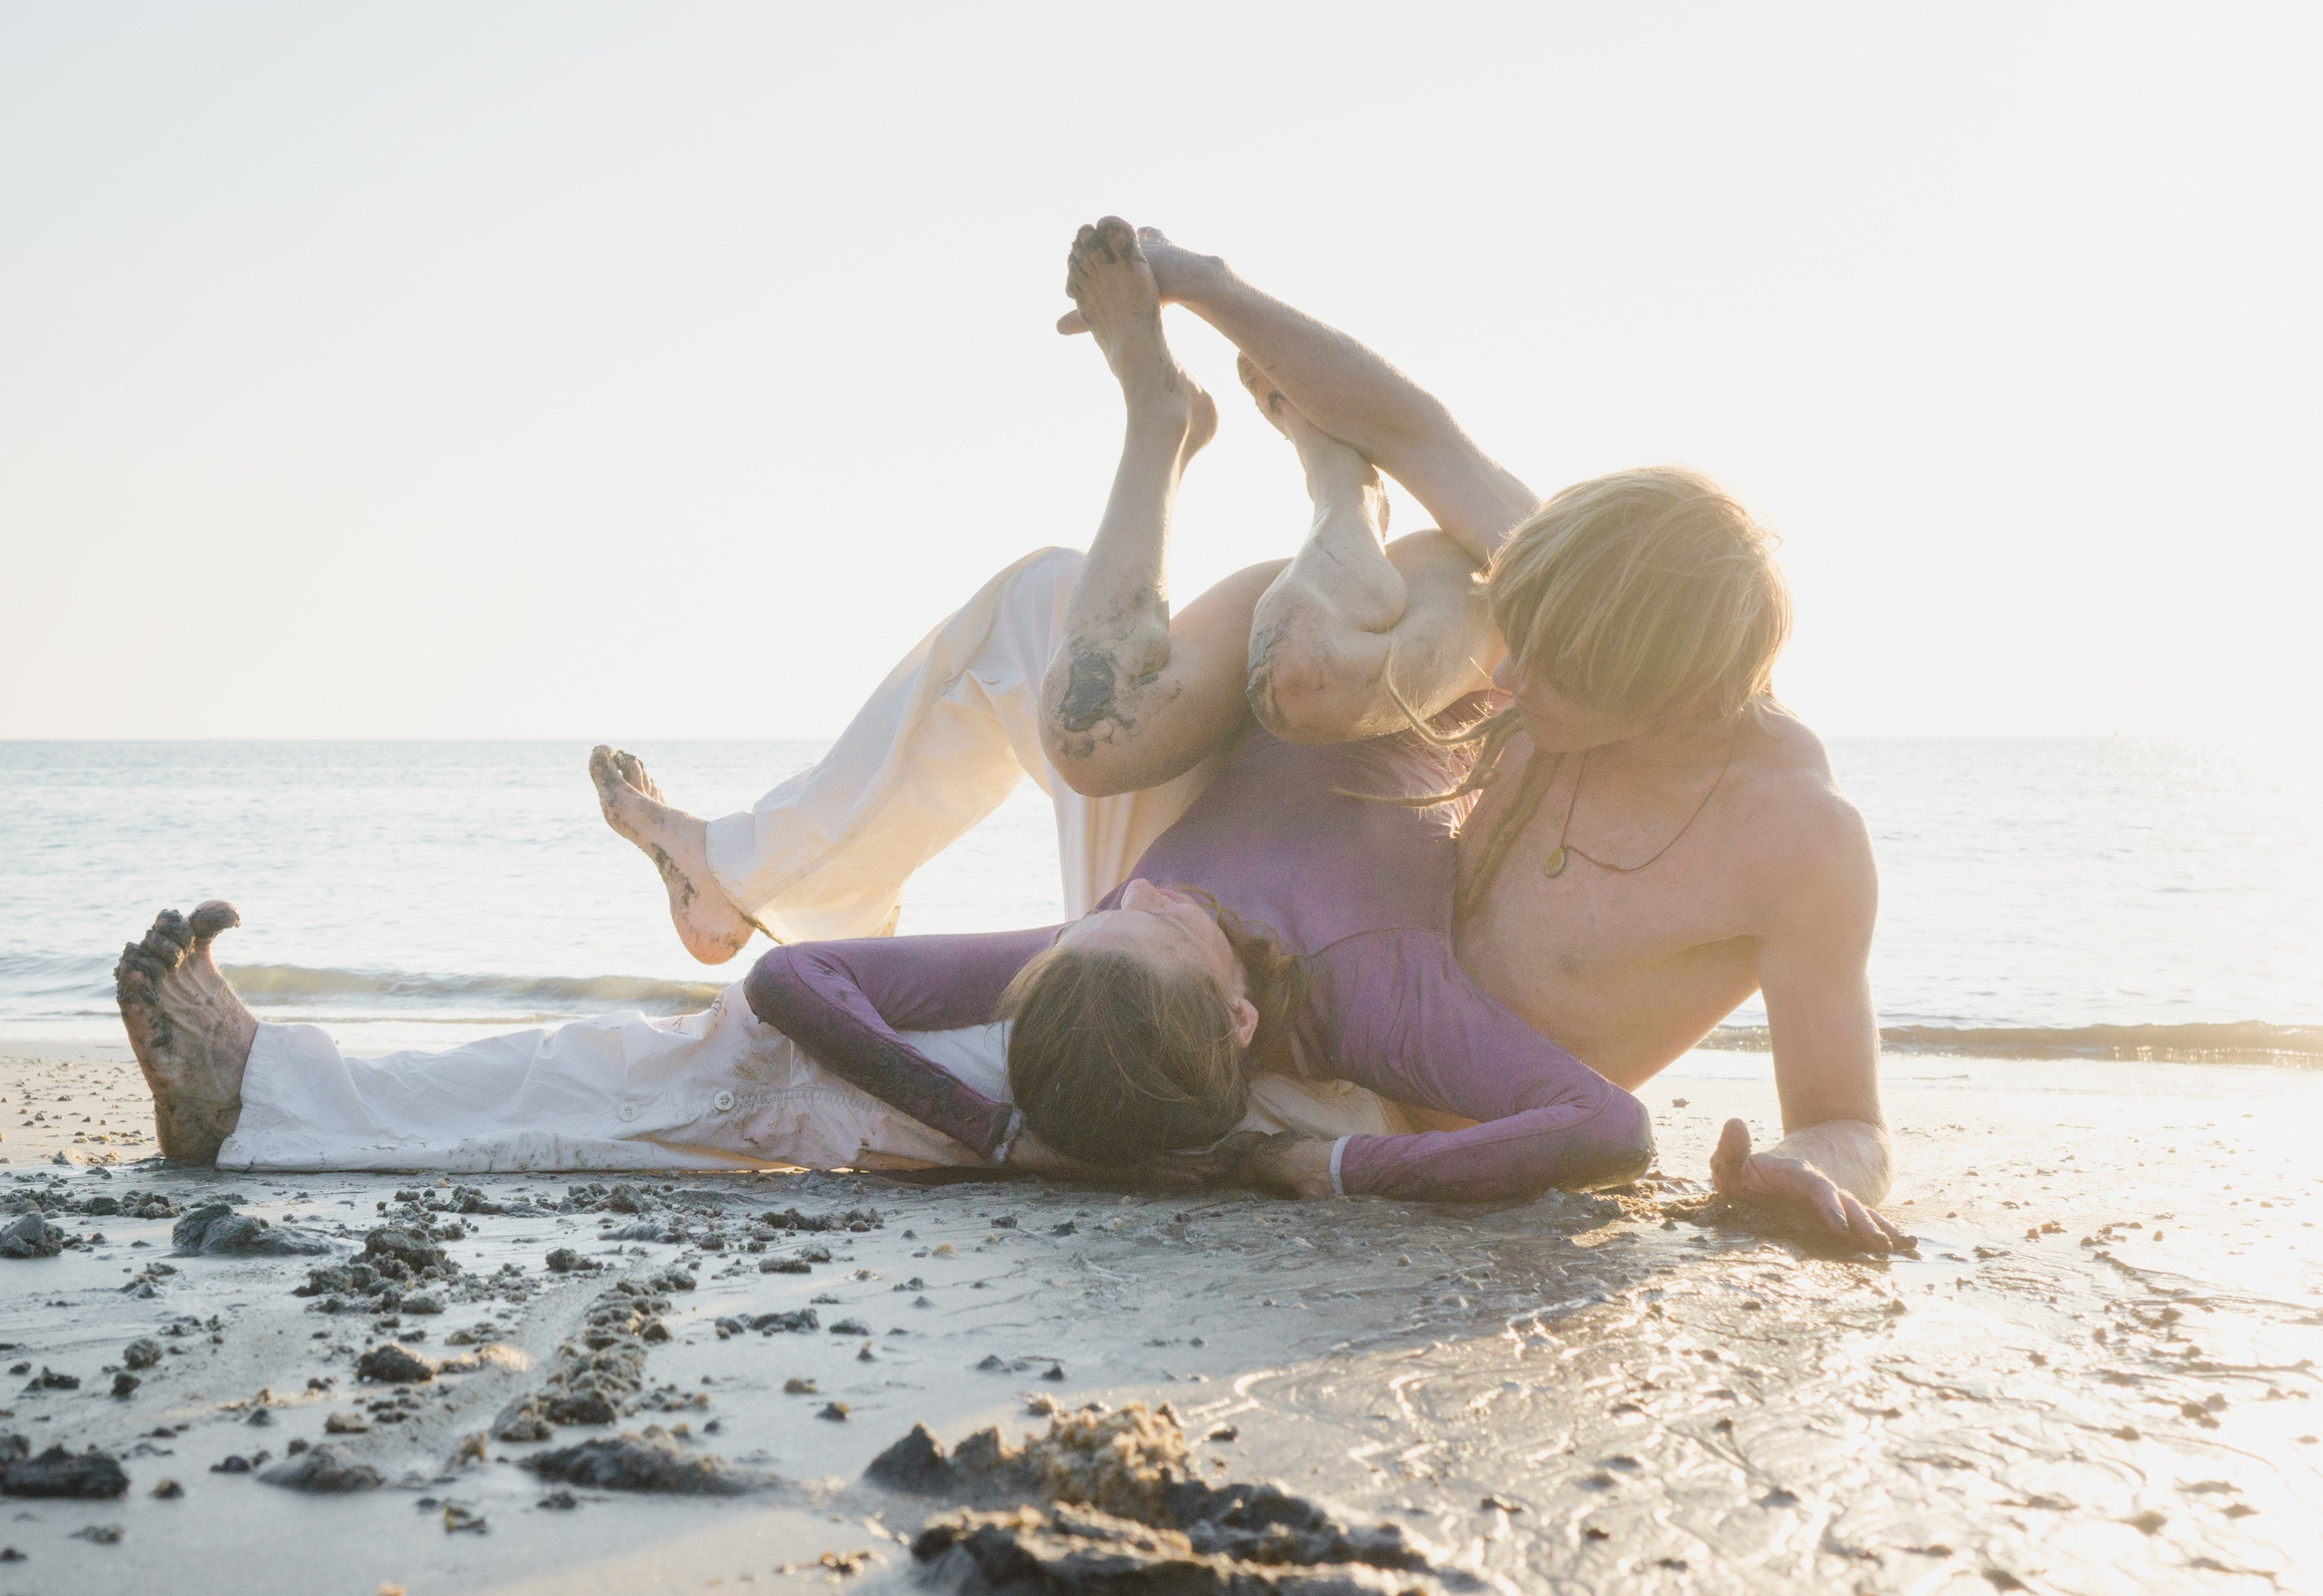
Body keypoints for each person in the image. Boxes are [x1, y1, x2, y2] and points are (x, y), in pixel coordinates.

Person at [594, 218, 1900, 1249]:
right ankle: (744, 861)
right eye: (1525, 622)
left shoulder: (1796, 840)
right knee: (1070, 657)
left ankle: (1296, 495)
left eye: (1552, 671)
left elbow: (1838, 1120)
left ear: (1677, 699)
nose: (1510, 675)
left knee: (1223, 662)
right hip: (1225, 925)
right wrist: (1199, 282)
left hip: (1350, 1050)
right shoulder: (1579, 598)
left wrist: (1806, 1165)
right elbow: (1414, 423)